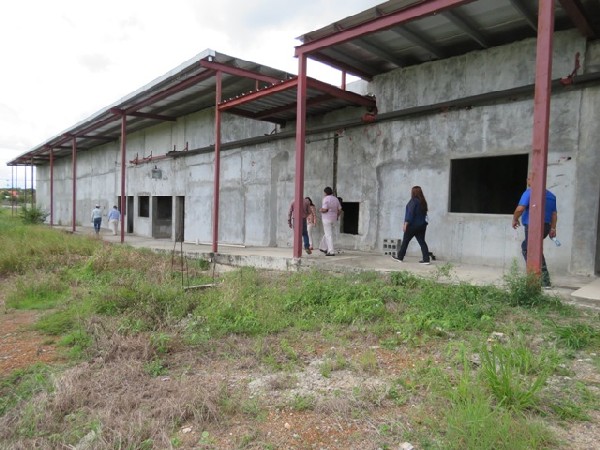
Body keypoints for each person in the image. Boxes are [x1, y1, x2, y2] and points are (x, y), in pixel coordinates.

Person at [512, 176, 557, 288]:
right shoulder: (551, 196)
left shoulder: (529, 192)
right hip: (546, 227)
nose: (527, 180)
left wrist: (515, 219)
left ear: (533, 180)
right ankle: (540, 278)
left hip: (533, 227)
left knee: (529, 249)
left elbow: (520, 209)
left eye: (529, 178)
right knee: (531, 248)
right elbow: (554, 214)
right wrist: (552, 229)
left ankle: (539, 279)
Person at [392, 186, 431, 264]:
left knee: (405, 241)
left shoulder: (413, 201)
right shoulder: (423, 202)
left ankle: (400, 257)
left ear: (413, 192)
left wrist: (405, 224)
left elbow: (410, 213)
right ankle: (426, 259)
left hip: (412, 226)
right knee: (422, 242)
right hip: (422, 226)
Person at [318, 186, 342, 256]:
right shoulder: (335, 199)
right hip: (334, 219)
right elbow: (340, 209)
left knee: (328, 235)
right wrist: (337, 216)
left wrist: (320, 210)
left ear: (325, 192)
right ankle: (323, 247)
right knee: (328, 233)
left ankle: (331, 251)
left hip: (326, 218)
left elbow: (325, 209)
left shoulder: (326, 199)